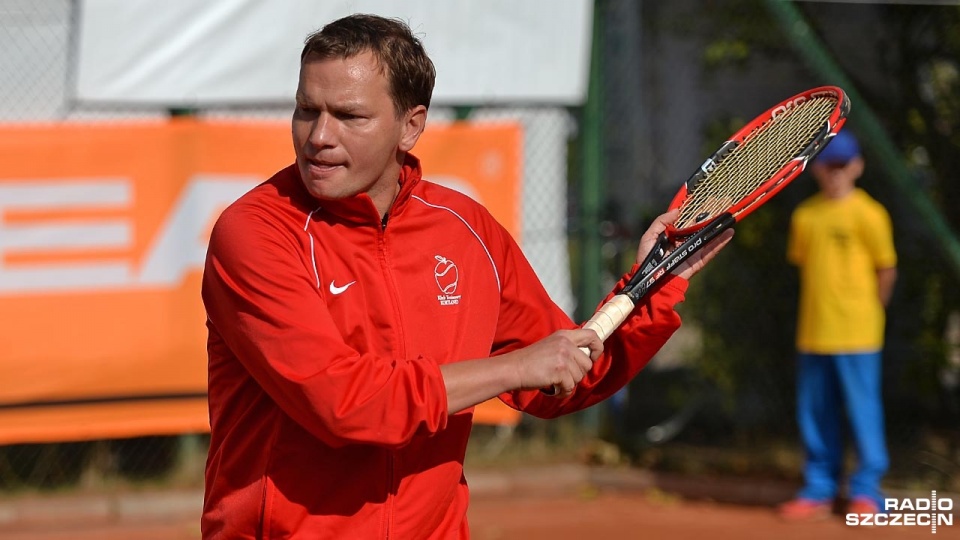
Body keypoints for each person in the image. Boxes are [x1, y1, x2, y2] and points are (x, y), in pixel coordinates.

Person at [200, 13, 732, 538]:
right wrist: (513, 368)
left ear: (411, 125)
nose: (319, 136)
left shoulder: (466, 229)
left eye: (349, 116)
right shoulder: (254, 233)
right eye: (305, 110)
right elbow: (344, 403)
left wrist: (653, 288)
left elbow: (563, 376)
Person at [779, 129, 898, 521]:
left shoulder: (871, 214)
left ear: (858, 166)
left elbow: (886, 270)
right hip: (814, 332)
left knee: (863, 411)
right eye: (828, 165)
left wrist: (872, 311)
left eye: (842, 165)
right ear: (816, 170)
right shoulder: (805, 216)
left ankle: (867, 492)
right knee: (815, 414)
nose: (835, 172)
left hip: (859, 333)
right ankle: (819, 489)